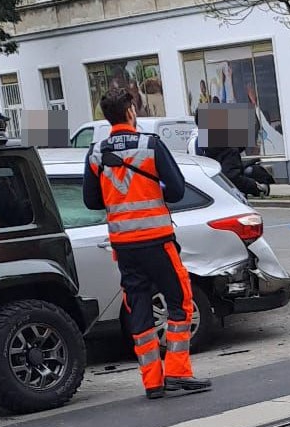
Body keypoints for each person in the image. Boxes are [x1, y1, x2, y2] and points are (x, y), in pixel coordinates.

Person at [83, 89, 211, 400]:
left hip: (124, 246)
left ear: (107, 116)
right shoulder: (150, 145)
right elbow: (177, 191)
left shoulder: (96, 152)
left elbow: (91, 201)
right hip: (157, 241)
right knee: (180, 301)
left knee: (138, 308)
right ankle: (178, 371)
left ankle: (152, 381)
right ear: (130, 112)